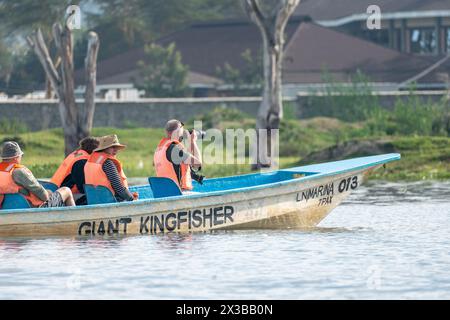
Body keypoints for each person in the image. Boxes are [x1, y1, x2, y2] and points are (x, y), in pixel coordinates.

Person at [0, 141, 75, 208]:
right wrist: (49, 193)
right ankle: (75, 221)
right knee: (66, 190)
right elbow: (44, 196)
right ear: (16, 157)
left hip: (7, 210)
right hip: (35, 210)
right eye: (21, 156)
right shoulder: (18, 172)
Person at [84, 135, 138, 202]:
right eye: (112, 147)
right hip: (108, 200)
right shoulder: (107, 163)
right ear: (104, 148)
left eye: (117, 147)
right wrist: (132, 199)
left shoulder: (90, 160)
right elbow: (119, 188)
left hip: (93, 200)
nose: (116, 150)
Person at [153, 119, 202, 191]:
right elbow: (198, 163)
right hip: (178, 192)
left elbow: (186, 161)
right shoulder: (175, 149)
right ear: (178, 131)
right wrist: (194, 142)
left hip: (165, 192)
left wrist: (191, 143)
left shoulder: (160, 149)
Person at [50, 137, 99, 205]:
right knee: (94, 198)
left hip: (55, 191)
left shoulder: (76, 155)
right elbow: (82, 188)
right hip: (66, 195)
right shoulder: (81, 162)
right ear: (94, 150)